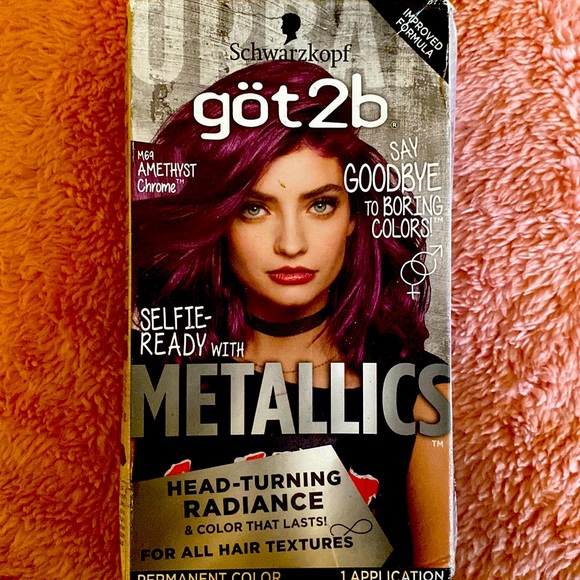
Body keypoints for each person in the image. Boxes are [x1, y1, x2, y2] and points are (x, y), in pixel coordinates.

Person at [132, 60, 451, 568]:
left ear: (355, 217)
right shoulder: (146, 377)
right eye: (254, 208)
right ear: (219, 220)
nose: (291, 244)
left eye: (320, 205)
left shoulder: (423, 396)